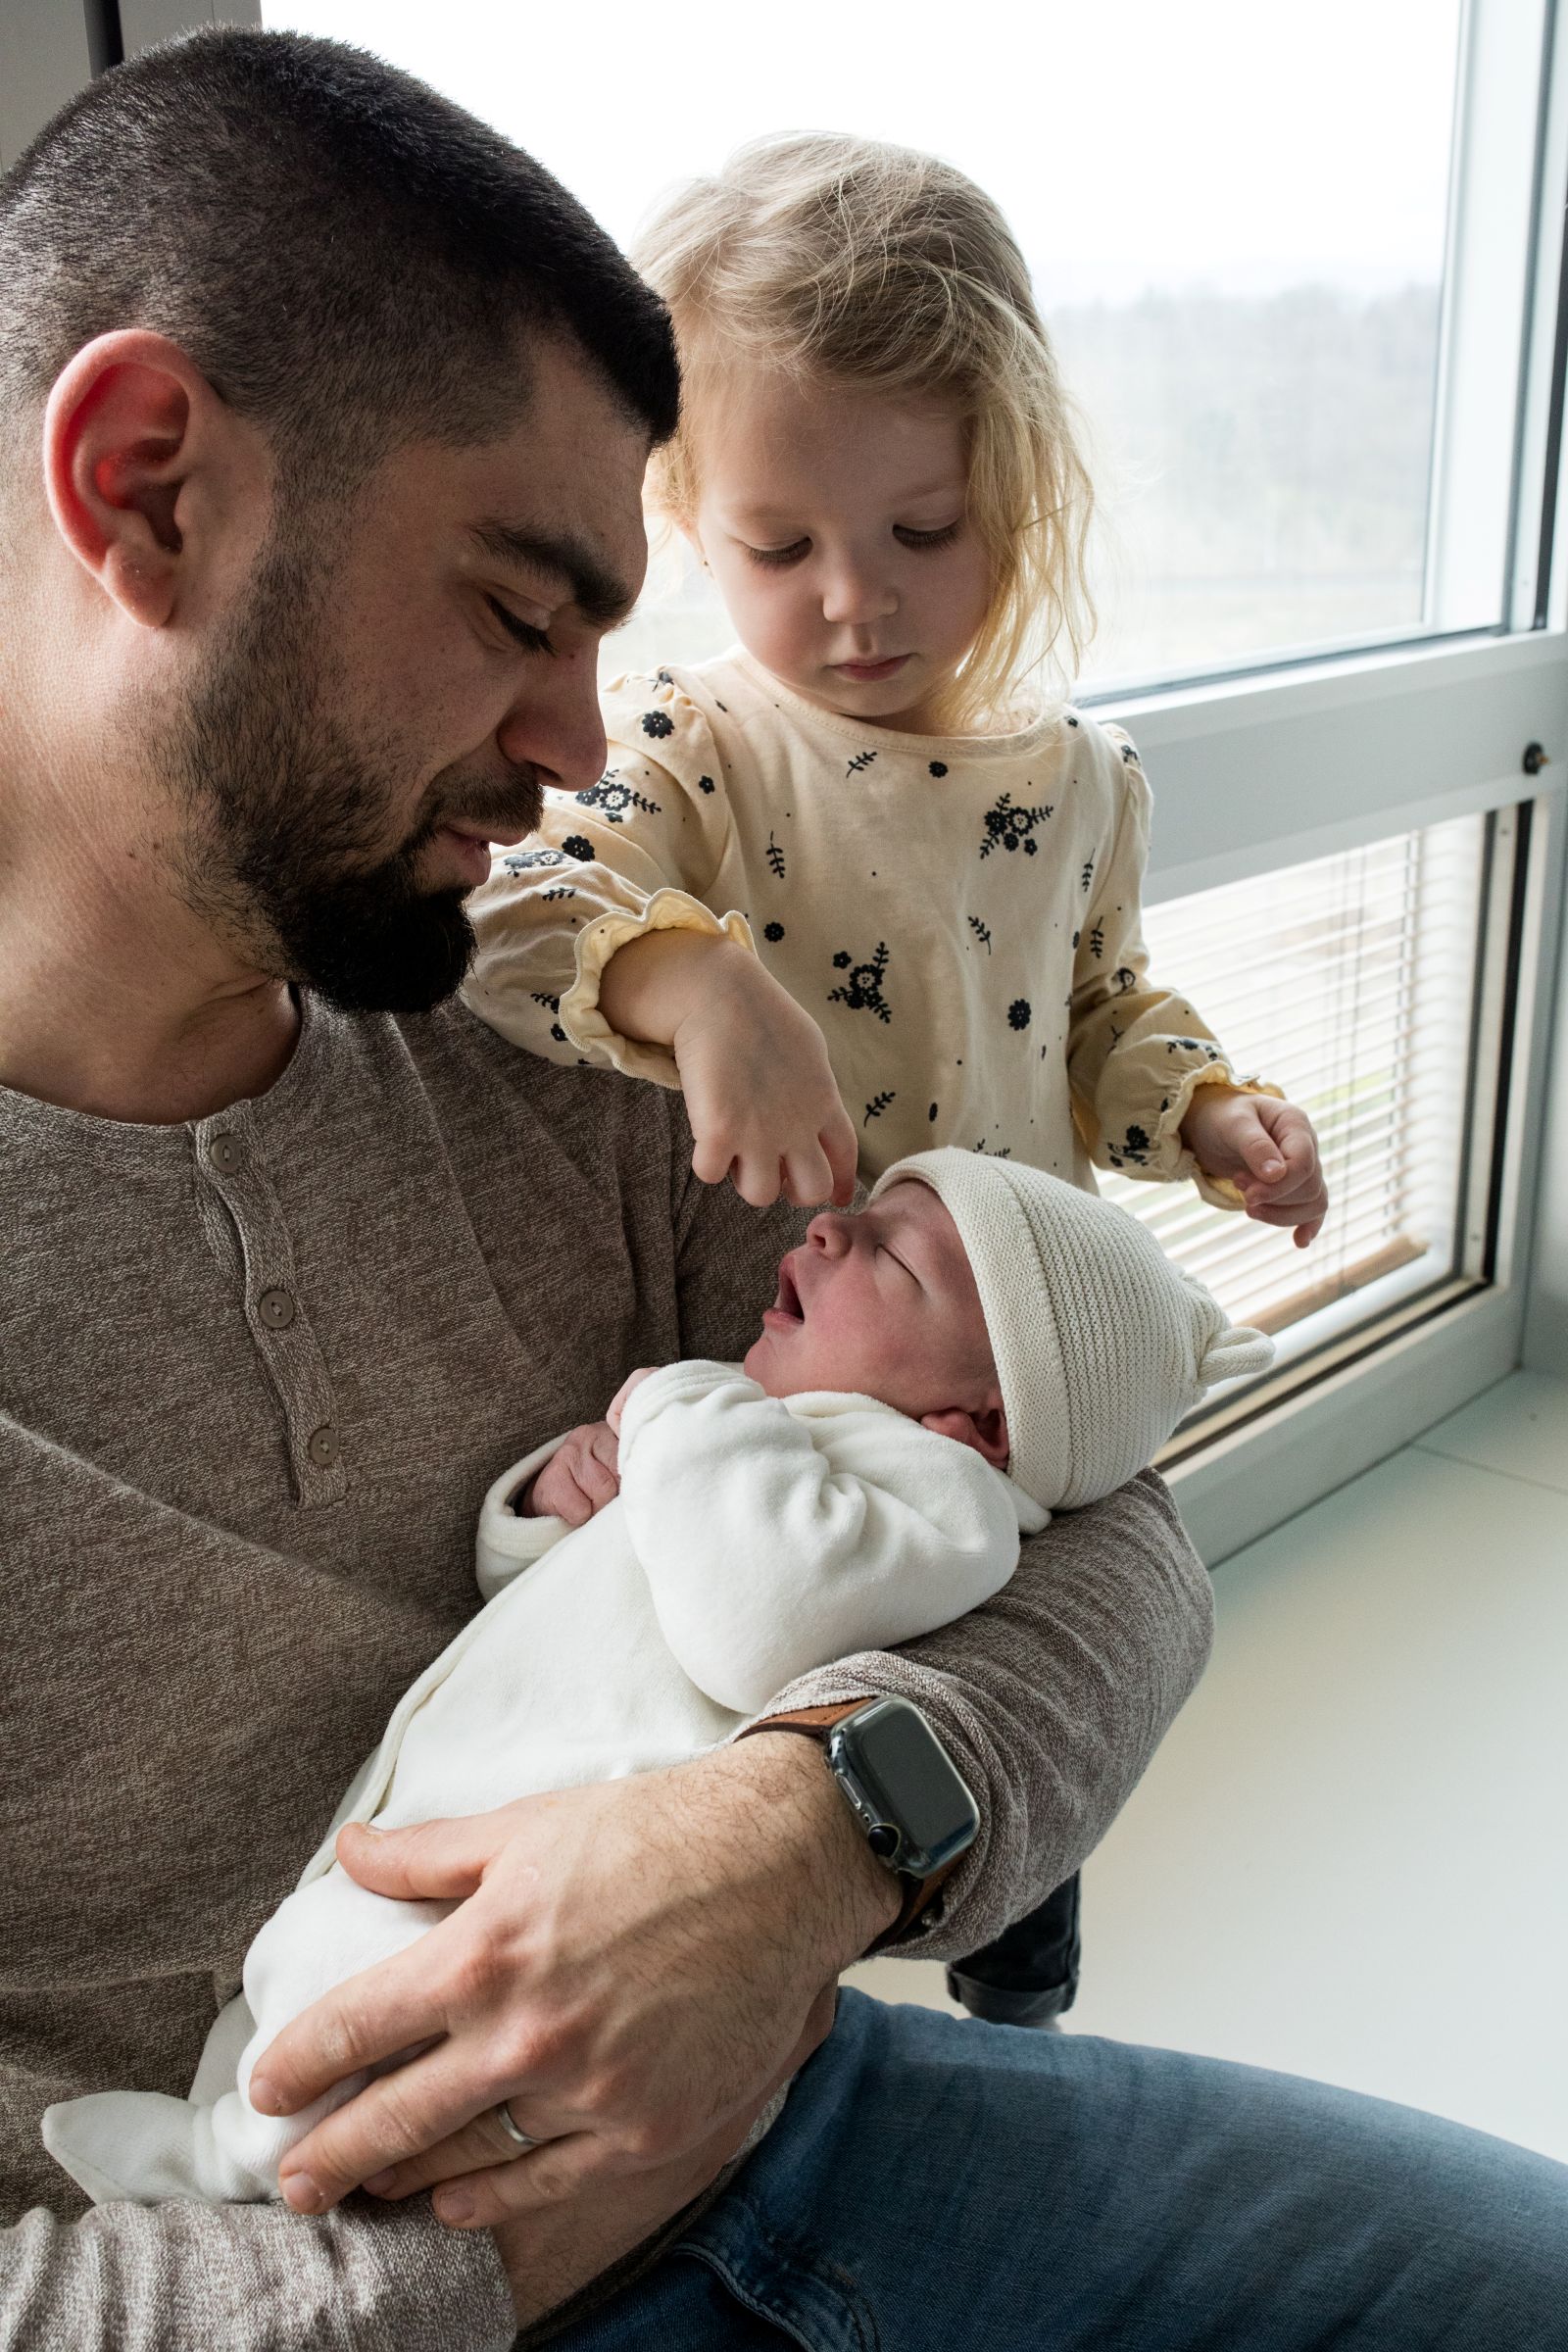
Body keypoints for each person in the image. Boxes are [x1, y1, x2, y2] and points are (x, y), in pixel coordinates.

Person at [0, 29, 1563, 2352]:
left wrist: (798, 1844)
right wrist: (464, 2245)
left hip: (790, 2115)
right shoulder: (606, 970)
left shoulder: (539, 1044)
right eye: (517, 610)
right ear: (145, 488)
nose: (575, 746)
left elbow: (1104, 1526)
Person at [460, 133, 1331, 2026]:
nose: (854, 602)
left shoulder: (1081, 780)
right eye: (780, 549)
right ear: (691, 516)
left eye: (920, 533)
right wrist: (699, 981)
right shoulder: (692, 740)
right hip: (787, 1364)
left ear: (1012, 495)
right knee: (747, 1727)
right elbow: (519, 913)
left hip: (1007, 1379)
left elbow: (1103, 1005)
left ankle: (1021, 2004)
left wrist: (1205, 1114)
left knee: (1010, 1739)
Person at [43, 1154, 1272, 2210]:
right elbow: (576, 1599)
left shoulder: (942, 1497)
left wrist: (685, 1398)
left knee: (368, 2006)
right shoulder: (781, 1444)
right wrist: (552, 1508)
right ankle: (222, 2129)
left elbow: (758, 1619)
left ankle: (226, 2167)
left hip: (556, 1850)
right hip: (463, 1790)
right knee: (298, 1971)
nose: (827, 1229)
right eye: (857, 1216)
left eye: (892, 1256)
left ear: (982, 1422)